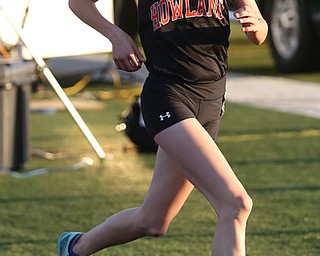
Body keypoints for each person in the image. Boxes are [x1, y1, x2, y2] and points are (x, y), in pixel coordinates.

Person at [58, 0, 268, 255]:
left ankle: (74, 247)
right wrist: (116, 35)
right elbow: (79, 3)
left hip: (212, 99)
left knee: (153, 221)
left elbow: (259, 30)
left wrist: (256, 24)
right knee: (236, 204)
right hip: (169, 97)